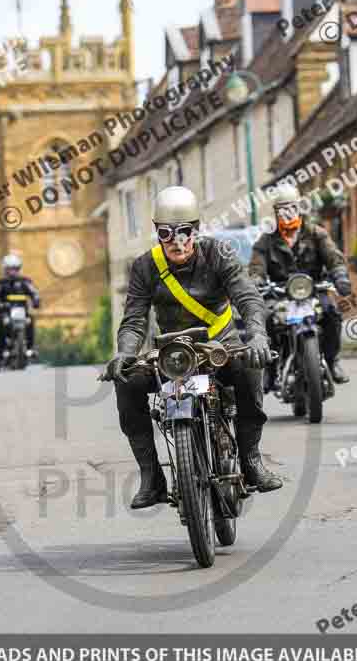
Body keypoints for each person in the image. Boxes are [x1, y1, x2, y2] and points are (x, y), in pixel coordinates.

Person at [100, 186, 282, 509]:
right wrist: (125, 352)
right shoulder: (145, 266)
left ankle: (251, 461)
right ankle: (152, 477)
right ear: (157, 232)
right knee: (126, 380)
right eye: (167, 233)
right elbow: (134, 320)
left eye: (185, 231)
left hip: (221, 346)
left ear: (196, 230)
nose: (177, 241)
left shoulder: (219, 254)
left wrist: (257, 337)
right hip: (173, 354)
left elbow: (248, 299)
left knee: (251, 370)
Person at [248, 184, 352, 384]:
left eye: (292, 207)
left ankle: (332, 361)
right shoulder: (266, 239)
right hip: (279, 292)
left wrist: (340, 276)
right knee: (267, 317)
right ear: (276, 212)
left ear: (299, 208)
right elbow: (256, 266)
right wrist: (255, 281)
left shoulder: (316, 233)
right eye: (282, 209)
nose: (287, 213)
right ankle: (270, 368)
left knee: (332, 313)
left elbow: (333, 257)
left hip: (313, 289)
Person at [0, 254, 40, 371]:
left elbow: (34, 291)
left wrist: (36, 299)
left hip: (22, 313)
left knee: (31, 319)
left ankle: (31, 347)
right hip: (5, 312)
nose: (12, 272)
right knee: (0, 322)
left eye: (15, 269)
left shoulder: (25, 282)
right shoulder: (0, 284)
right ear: (5, 270)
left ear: (19, 269)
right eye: (9, 269)